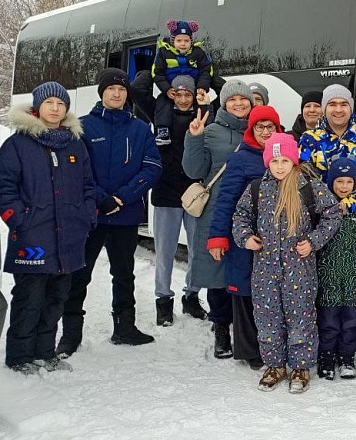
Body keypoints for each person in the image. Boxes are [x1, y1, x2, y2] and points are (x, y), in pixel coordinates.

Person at [56, 68, 162, 357]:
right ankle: (71, 334)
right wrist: (102, 198)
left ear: (127, 94)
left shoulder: (140, 129)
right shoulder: (83, 126)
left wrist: (123, 197)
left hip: (126, 215)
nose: (116, 94)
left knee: (124, 272)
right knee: (80, 273)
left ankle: (124, 327)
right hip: (91, 214)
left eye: (122, 89)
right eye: (111, 89)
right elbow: (78, 168)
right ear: (101, 93)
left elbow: (152, 167)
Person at [232, 133, 342, 393]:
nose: (279, 166)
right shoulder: (257, 188)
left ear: (293, 160)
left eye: (284, 160)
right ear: (267, 162)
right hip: (265, 269)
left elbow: (333, 213)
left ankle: (301, 366)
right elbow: (241, 215)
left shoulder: (308, 186)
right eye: (275, 160)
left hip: (299, 269)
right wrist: (246, 238)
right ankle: (274, 365)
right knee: (267, 317)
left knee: (300, 317)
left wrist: (313, 241)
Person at [1, 82, 96, 374]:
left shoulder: (74, 143)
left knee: (56, 298)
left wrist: (86, 214)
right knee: (29, 298)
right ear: (37, 107)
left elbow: (87, 185)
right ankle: (19, 356)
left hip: (69, 237)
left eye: (61, 104)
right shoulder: (18, 144)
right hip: (33, 235)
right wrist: (19, 218)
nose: (55, 109)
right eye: (49, 103)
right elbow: (5, 188)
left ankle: (45, 352)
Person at [206, 105, 283, 369]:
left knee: (273, 296)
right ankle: (251, 350)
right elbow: (225, 200)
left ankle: (273, 346)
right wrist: (217, 236)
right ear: (251, 130)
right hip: (246, 239)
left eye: (269, 127)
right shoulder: (240, 159)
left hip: (278, 241)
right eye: (259, 127)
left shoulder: (285, 156)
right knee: (246, 292)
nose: (264, 132)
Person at [182, 79, 254, 359]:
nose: (238, 103)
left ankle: (247, 329)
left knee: (248, 270)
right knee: (218, 270)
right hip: (217, 211)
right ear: (224, 102)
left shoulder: (258, 130)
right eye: (233, 99)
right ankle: (221, 328)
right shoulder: (210, 131)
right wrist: (194, 137)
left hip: (251, 212)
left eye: (244, 99)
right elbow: (193, 170)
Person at [136, 74, 209, 326]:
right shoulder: (159, 110)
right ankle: (163, 301)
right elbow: (137, 88)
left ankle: (191, 295)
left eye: (188, 94)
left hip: (194, 193)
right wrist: (162, 77)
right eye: (179, 94)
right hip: (166, 192)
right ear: (173, 95)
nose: (185, 98)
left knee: (197, 250)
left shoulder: (203, 114)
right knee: (165, 252)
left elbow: (220, 87)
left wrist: (203, 83)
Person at [316, 157, 356, 380]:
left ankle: (347, 357)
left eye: (349, 182)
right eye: (339, 181)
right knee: (329, 321)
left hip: (353, 278)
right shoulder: (323, 209)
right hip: (328, 278)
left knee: (352, 321)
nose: (344, 187)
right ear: (331, 182)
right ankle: (326, 356)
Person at [298, 84, 356, 215]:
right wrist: (329, 206)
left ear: (351, 108)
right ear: (325, 108)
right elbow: (303, 178)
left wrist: (349, 205)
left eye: (344, 104)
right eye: (332, 104)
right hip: (320, 219)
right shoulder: (309, 139)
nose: (338, 109)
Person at [151, 20, 214, 146]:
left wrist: (202, 87)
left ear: (191, 41)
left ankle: (206, 131)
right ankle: (163, 131)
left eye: (186, 41)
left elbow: (206, 71)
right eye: (179, 41)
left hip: (192, 88)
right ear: (173, 41)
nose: (183, 44)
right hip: (172, 88)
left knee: (201, 105)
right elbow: (157, 73)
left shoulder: (198, 53)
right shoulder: (164, 52)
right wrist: (166, 89)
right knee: (163, 102)